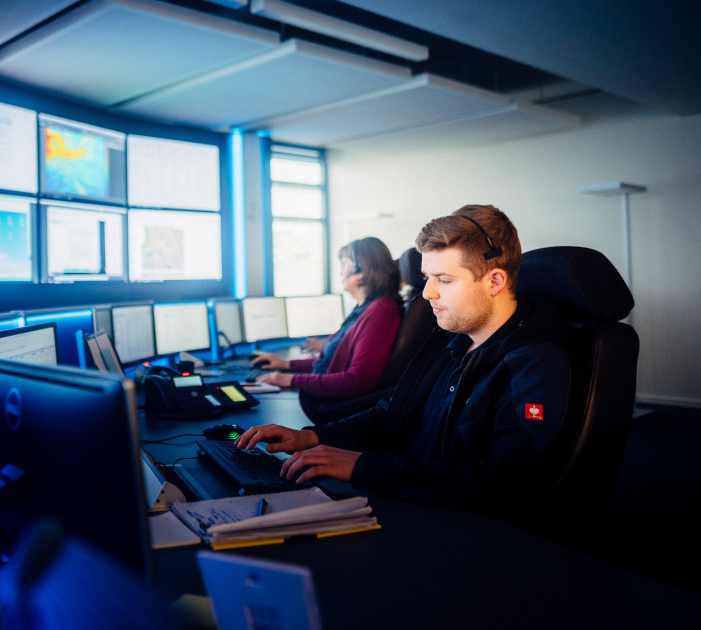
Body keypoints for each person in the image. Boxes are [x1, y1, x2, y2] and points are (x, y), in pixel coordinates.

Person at [236, 205, 576, 520]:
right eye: (427, 278)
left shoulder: (536, 364)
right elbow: (391, 412)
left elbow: (507, 482)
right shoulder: (452, 342)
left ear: (495, 282)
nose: (428, 293)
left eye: (443, 279)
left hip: (460, 526)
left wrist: (364, 467)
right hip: (409, 495)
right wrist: (312, 437)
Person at [250, 237, 403, 422]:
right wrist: (285, 365)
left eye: (345, 264)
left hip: (329, 406)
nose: (341, 271)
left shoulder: (381, 311)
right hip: (319, 398)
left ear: (361, 270)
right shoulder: (365, 308)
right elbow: (330, 361)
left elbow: (357, 380)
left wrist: (287, 379)